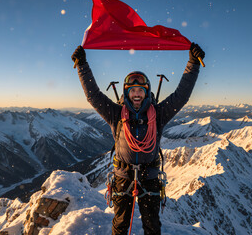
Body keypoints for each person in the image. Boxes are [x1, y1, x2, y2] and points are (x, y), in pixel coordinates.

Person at [72, 43, 205, 235]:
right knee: (120, 224)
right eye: (132, 90)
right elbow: (93, 96)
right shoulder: (116, 114)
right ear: (126, 93)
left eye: (140, 90)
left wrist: (193, 63)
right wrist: (82, 65)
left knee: (152, 226)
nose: (136, 94)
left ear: (146, 93)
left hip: (148, 176)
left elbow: (180, 96)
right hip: (123, 176)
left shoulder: (158, 114)